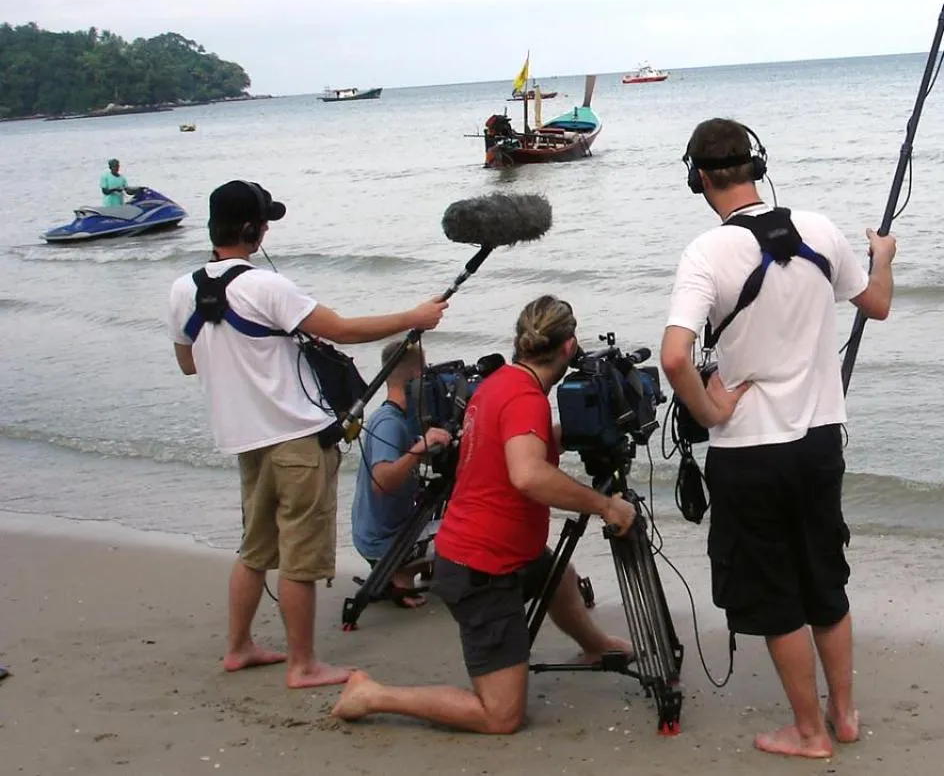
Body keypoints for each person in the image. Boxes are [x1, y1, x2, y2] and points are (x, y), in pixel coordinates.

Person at [660, 117, 897, 760]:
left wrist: (710, 413)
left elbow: (675, 357)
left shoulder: (706, 254)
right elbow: (875, 304)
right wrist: (883, 257)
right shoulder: (819, 229)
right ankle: (843, 714)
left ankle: (810, 733)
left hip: (749, 449)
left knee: (774, 591)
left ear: (700, 178)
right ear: (757, 167)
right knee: (825, 579)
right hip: (821, 440)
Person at [166, 179, 449, 689]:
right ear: (253, 229)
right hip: (297, 438)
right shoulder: (266, 286)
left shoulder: (183, 289)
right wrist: (414, 317)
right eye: (264, 222)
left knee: (255, 549)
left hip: (243, 441)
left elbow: (188, 363)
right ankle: (303, 665)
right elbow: (340, 330)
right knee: (301, 551)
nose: (268, 229)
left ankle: (239, 647)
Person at [332, 295, 637, 734]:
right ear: (570, 347)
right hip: (481, 568)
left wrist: (575, 429)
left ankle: (594, 645)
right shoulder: (525, 397)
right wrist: (605, 504)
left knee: (557, 574)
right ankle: (370, 694)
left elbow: (512, 442)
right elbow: (528, 474)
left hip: (495, 550)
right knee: (501, 716)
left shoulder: (500, 383)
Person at [350, 339, 454, 610]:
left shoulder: (397, 418)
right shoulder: (389, 424)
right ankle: (399, 573)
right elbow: (382, 481)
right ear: (416, 376)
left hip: (379, 534)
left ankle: (407, 569)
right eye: (425, 372)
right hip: (385, 543)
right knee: (469, 531)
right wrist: (419, 450)